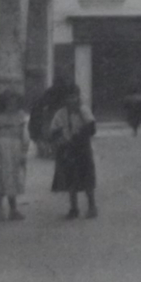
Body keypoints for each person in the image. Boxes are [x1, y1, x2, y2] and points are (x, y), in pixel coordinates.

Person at [49, 83, 98, 219]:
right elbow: (53, 130)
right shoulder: (60, 114)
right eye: (68, 97)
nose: (71, 100)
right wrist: (61, 140)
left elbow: (91, 128)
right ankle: (73, 207)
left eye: (74, 97)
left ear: (78, 97)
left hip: (82, 147)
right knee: (70, 178)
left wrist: (81, 119)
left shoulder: (83, 110)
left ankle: (92, 205)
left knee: (87, 176)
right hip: (67, 147)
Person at [0, 90, 28, 221]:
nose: (11, 104)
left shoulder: (20, 117)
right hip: (1, 148)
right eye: (8, 101)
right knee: (1, 176)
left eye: (14, 101)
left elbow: (24, 136)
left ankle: (13, 209)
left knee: (13, 177)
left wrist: (24, 152)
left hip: (15, 148)